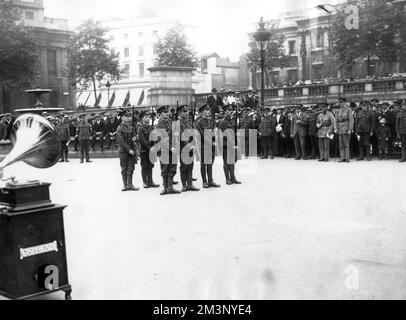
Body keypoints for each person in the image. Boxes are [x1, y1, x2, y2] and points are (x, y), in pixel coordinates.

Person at [155, 105, 181, 195]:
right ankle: (165, 188)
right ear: (160, 114)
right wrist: (170, 148)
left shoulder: (170, 121)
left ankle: (170, 187)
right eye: (165, 112)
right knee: (165, 168)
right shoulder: (159, 125)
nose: (167, 114)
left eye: (167, 112)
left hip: (173, 148)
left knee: (172, 168)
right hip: (164, 150)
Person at [195, 104, 221, 189]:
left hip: (211, 145)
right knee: (204, 164)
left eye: (209, 110)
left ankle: (210, 180)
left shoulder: (211, 120)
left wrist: (214, 140)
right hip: (203, 145)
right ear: (202, 111)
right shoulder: (199, 122)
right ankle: (204, 182)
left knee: (210, 163)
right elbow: (201, 135)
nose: (208, 111)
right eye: (206, 110)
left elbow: (213, 132)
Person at [177, 104, 200, 192]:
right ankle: (184, 185)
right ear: (179, 113)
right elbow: (181, 136)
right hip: (184, 147)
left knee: (190, 166)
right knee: (184, 167)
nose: (186, 113)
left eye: (187, 111)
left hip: (191, 146)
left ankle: (190, 184)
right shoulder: (178, 123)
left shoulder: (189, 122)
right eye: (184, 111)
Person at [219, 104, 242, 185]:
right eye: (228, 110)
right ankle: (227, 179)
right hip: (226, 144)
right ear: (225, 112)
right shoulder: (223, 122)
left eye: (230, 110)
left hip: (233, 144)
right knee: (226, 162)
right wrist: (233, 143)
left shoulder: (233, 121)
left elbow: (235, 133)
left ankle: (233, 178)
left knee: (233, 160)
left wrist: (236, 143)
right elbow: (226, 134)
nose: (230, 111)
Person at [116, 111, 139, 192]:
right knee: (124, 168)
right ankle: (125, 185)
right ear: (122, 118)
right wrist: (129, 150)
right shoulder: (120, 128)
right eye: (125, 116)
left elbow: (134, 138)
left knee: (131, 168)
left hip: (131, 151)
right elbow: (121, 141)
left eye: (128, 116)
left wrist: (134, 141)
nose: (127, 118)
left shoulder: (131, 127)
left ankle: (130, 184)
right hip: (124, 151)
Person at [137, 111, 160, 189]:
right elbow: (142, 140)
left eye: (148, 117)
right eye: (146, 117)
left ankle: (150, 181)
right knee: (144, 166)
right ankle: (145, 182)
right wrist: (150, 148)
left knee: (150, 166)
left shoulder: (150, 127)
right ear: (142, 119)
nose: (148, 118)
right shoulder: (140, 128)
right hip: (144, 150)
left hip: (151, 150)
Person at [335, 98, 354, 163]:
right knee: (341, 145)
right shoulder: (338, 110)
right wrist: (336, 128)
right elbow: (336, 120)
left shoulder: (349, 110)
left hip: (346, 128)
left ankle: (347, 158)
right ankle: (342, 157)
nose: (340, 103)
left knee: (346, 144)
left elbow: (351, 120)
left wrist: (350, 129)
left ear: (344, 102)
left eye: (341, 102)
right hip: (340, 129)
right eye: (339, 102)